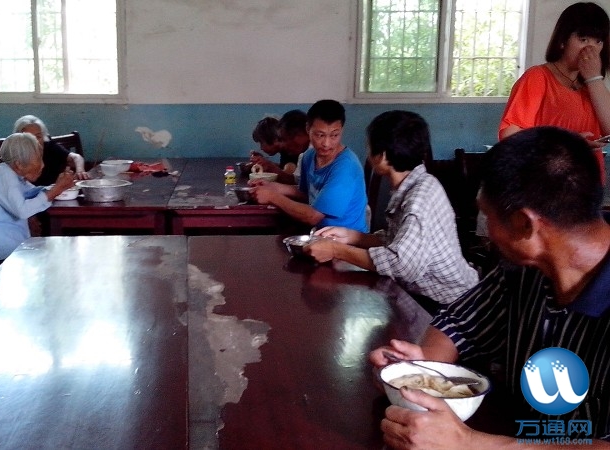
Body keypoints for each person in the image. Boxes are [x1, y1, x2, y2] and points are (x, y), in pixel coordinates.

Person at [370, 126, 610, 449]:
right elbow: (459, 325)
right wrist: (421, 371)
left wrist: (469, 443)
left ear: (525, 224)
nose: (486, 232)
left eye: (486, 216)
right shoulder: (527, 269)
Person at [304, 111, 478, 309]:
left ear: (383, 156)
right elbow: (398, 241)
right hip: (424, 296)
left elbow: (401, 265)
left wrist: (337, 250)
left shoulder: (419, 200)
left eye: (369, 146)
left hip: (448, 305)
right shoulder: (416, 184)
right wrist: (353, 237)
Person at [499, 2, 610, 184]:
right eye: (583, 40)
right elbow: (510, 134)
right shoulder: (538, 77)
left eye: (598, 41)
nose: (591, 50)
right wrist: (565, 143)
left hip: (587, 184)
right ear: (562, 40)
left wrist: (593, 78)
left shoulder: (593, 86)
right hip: (548, 184)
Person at [249, 100, 368, 232]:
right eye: (320, 135)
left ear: (342, 131)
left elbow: (313, 216)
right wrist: (274, 187)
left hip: (344, 239)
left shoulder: (346, 167)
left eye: (334, 135)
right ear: (307, 129)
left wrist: (273, 197)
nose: (326, 143)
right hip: (318, 232)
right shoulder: (309, 156)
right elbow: (307, 194)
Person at [0, 132, 77, 262]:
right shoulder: (4, 175)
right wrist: (56, 189)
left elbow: (31, 192)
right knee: (55, 256)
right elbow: (23, 210)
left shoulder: (10, 173)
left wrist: (58, 187)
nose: (42, 165)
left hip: (2, 245)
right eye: (38, 159)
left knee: (54, 252)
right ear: (19, 164)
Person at [13, 115, 90, 185]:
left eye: (38, 136)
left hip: (60, 192)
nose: (35, 141)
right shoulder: (16, 156)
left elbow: (76, 157)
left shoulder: (50, 147)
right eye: (29, 137)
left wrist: (80, 171)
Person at [250, 110, 310, 184]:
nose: (283, 145)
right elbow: (297, 180)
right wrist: (266, 164)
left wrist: (271, 167)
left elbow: (291, 180)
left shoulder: (297, 153)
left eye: (283, 139)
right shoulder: (303, 155)